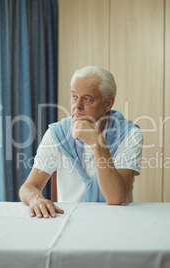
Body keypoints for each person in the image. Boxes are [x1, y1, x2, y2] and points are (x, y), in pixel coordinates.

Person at [19, 66, 143, 218]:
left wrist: (97, 143)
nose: (77, 106)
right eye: (74, 97)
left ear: (108, 103)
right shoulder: (57, 133)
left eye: (87, 99)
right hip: (68, 220)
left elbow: (115, 198)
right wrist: (35, 198)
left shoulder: (130, 134)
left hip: (116, 221)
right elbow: (29, 186)